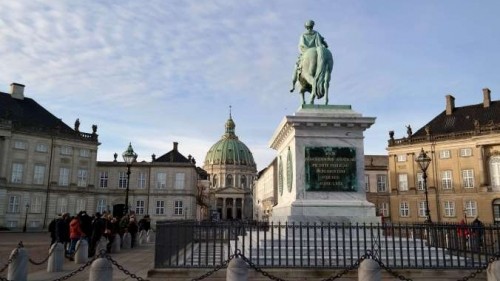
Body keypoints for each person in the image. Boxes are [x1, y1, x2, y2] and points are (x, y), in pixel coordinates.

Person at [291, 20, 329, 92]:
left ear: (306, 27)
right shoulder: (317, 33)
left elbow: (301, 45)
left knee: (296, 67)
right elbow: (323, 42)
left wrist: (304, 51)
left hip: (306, 52)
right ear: (312, 26)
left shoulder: (303, 35)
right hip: (317, 50)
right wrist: (325, 45)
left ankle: (293, 85)